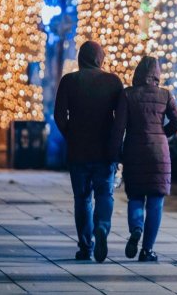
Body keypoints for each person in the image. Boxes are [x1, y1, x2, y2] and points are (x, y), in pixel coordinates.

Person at [54, 41, 123, 263]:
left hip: (78, 152)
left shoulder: (69, 81)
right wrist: (115, 143)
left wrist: (71, 134)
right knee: (105, 194)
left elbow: (59, 115)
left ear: (81, 57)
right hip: (104, 152)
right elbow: (121, 118)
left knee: (82, 199)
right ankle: (102, 226)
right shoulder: (113, 82)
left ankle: (85, 246)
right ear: (100, 58)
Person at [109, 56, 177, 262]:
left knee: (135, 197)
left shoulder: (127, 95)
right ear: (157, 74)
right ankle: (147, 250)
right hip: (159, 153)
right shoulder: (165, 95)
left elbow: (119, 128)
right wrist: (162, 134)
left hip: (134, 150)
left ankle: (136, 228)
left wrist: (116, 154)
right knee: (156, 202)